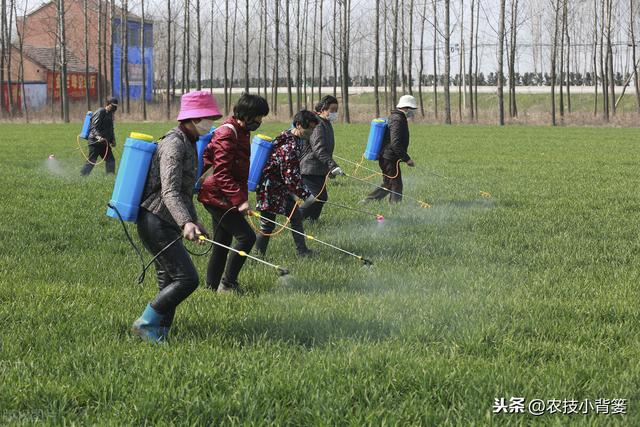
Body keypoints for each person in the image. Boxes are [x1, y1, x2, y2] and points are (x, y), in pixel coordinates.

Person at [131, 90, 222, 342]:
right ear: (192, 119)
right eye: (207, 118)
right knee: (187, 279)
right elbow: (169, 190)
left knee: (169, 280)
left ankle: (159, 333)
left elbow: (184, 192)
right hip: (155, 220)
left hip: (166, 220)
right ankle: (145, 323)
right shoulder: (173, 143)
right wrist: (185, 222)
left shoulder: (189, 142)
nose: (210, 123)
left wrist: (194, 220)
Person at [198, 93, 269, 294]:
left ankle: (211, 288)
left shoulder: (242, 131)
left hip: (224, 196)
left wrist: (241, 199)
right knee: (246, 238)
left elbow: (237, 172)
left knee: (222, 242)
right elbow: (221, 174)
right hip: (216, 196)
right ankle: (228, 284)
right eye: (258, 116)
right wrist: (240, 201)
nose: (260, 121)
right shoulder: (227, 134)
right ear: (247, 114)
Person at [254, 110, 319, 257]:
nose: (312, 132)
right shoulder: (289, 147)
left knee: (295, 216)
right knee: (267, 225)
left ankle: (302, 251)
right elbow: (290, 177)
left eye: (314, 129)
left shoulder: (293, 138)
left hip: (281, 189)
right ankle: (257, 256)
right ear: (299, 125)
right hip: (270, 189)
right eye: (310, 129)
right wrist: (306, 195)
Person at [363, 94, 417, 203]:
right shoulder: (397, 120)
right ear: (406, 108)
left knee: (389, 183)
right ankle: (395, 207)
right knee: (396, 185)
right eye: (412, 109)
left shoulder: (397, 118)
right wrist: (407, 159)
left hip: (389, 157)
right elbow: (395, 143)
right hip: (389, 158)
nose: (413, 112)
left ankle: (368, 201)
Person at [299, 95, 344, 220]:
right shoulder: (318, 124)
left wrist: (328, 168)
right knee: (319, 197)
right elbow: (319, 149)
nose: (335, 113)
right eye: (332, 110)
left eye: (336, 110)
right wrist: (332, 165)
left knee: (320, 197)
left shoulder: (326, 123)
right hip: (309, 167)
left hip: (318, 168)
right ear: (323, 109)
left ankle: (312, 221)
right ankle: (296, 218)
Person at [80, 97, 118, 175]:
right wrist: (98, 137)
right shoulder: (101, 111)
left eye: (116, 106)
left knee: (111, 159)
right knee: (92, 160)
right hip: (95, 141)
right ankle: (83, 175)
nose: (115, 108)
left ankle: (110, 177)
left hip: (104, 142)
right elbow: (94, 127)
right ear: (108, 104)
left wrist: (113, 140)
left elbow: (111, 129)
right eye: (113, 106)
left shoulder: (110, 115)